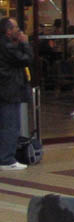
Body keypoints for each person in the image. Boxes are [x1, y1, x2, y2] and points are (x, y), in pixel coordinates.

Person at [1, 17, 34, 170]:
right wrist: (25, 43)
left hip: (5, 90)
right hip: (9, 90)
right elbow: (26, 59)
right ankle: (7, 159)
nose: (19, 31)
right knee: (10, 125)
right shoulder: (7, 46)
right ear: (8, 31)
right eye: (16, 28)